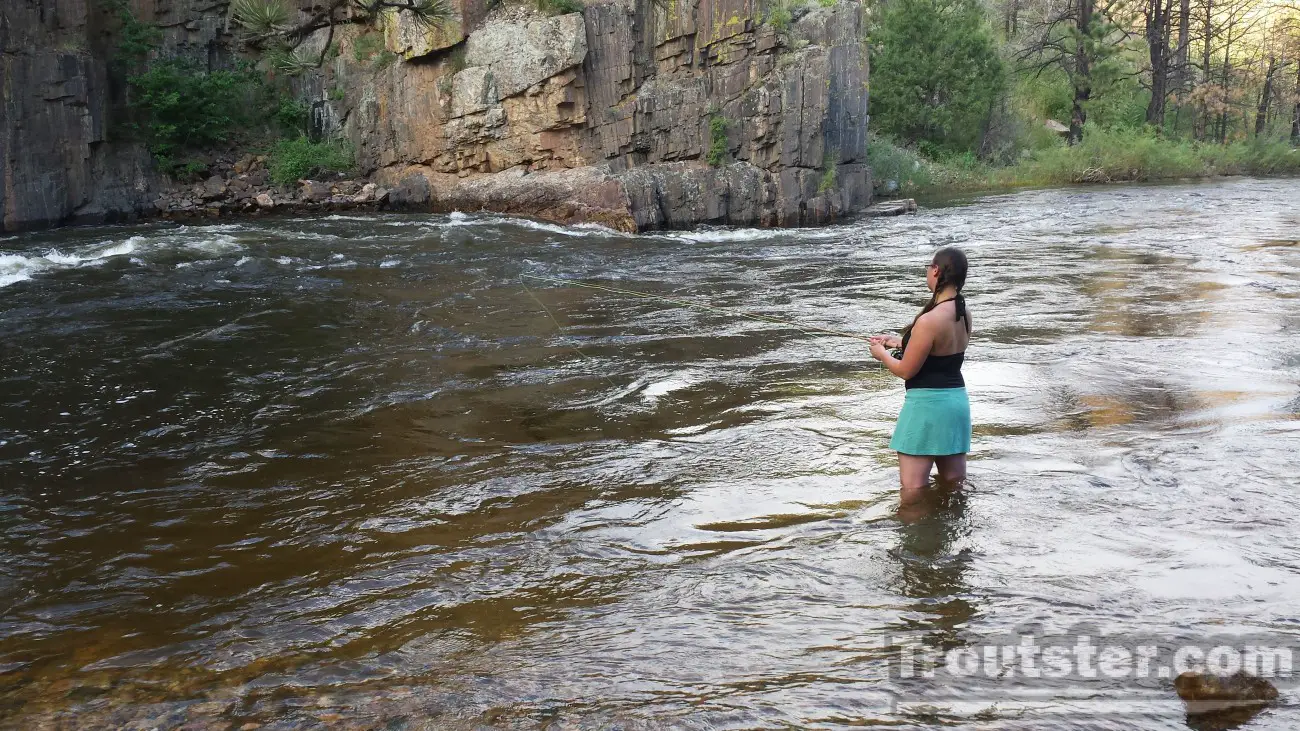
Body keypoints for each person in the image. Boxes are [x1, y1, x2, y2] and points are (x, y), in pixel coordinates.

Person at [869, 247, 972, 500]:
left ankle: (919, 539)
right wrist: (898, 342)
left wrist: (881, 355)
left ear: (936, 270)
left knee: (912, 493)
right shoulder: (964, 313)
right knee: (954, 487)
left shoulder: (929, 321)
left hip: (926, 409)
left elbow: (906, 370)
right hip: (956, 405)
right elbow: (940, 354)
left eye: (929, 268)